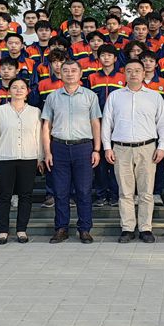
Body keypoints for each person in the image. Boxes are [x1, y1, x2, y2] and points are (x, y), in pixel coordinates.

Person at [101, 59, 164, 243]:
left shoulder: (154, 96)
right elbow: (107, 123)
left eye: (137, 70)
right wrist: (107, 147)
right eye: (129, 70)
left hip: (147, 148)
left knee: (146, 192)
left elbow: (163, 123)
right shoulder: (115, 96)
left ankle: (145, 228)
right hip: (121, 149)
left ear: (144, 73)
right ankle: (127, 228)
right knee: (125, 192)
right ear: (124, 73)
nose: (133, 74)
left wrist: (161, 147)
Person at [42, 60, 102, 244]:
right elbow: (46, 126)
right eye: (66, 70)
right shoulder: (52, 97)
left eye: (73, 70)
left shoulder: (90, 96)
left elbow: (95, 123)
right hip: (59, 147)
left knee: (84, 191)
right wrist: (47, 152)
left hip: (83, 148)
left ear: (80, 74)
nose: (69, 74)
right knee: (60, 191)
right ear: (60, 74)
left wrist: (96, 149)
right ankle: (61, 228)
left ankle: (84, 229)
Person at [0, 78, 42, 244]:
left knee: (25, 196)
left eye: (22, 87)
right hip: (5, 158)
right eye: (15, 87)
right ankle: (2, 231)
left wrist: (41, 157)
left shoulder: (35, 112)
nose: (18, 90)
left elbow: (38, 137)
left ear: (27, 92)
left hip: (28, 158)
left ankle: (21, 230)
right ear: (9, 91)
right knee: (4, 196)